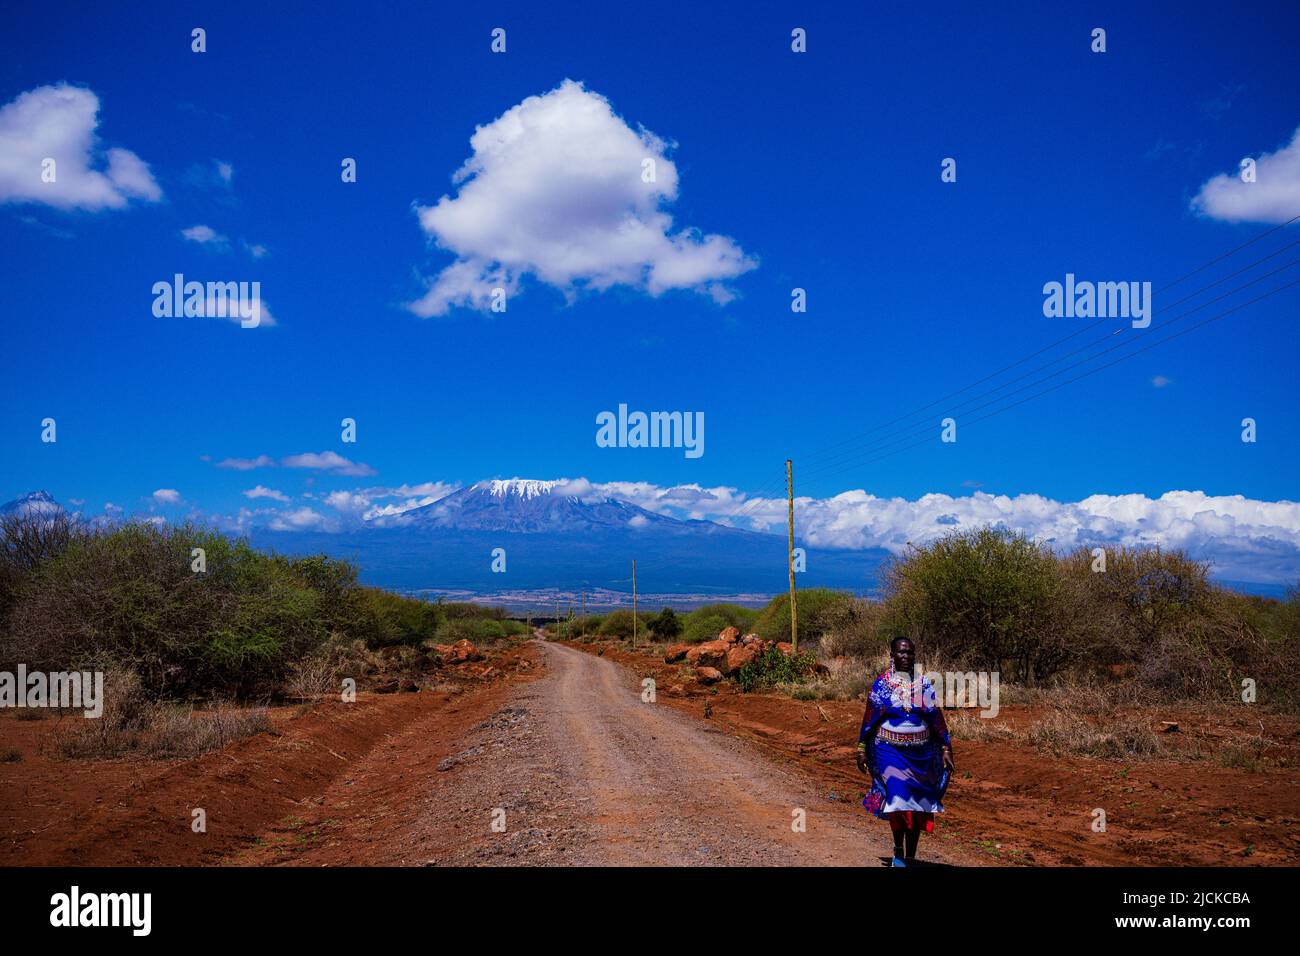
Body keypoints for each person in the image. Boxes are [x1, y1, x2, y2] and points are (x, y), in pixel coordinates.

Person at [855, 636, 954, 866]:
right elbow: (869, 719)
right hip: (890, 753)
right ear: (892, 656)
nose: (906, 657)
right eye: (901, 652)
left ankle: (911, 856)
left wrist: (945, 747)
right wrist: (861, 748)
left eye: (910, 653)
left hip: (921, 755)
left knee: (917, 805)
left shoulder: (924, 685)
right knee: (898, 801)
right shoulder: (882, 686)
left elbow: (936, 720)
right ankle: (899, 850)